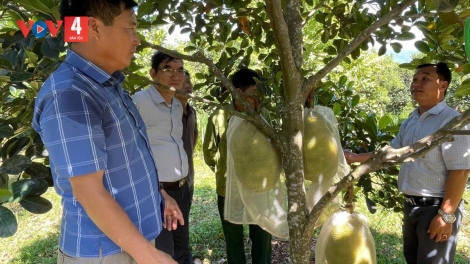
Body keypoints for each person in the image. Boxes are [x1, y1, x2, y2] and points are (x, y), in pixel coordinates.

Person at [32, 1, 182, 263]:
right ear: (94, 27)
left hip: (131, 243)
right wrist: (150, 256)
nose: (137, 40)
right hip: (106, 252)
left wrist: (160, 195)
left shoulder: (106, 84)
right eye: (131, 28)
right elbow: (89, 191)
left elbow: (126, 159)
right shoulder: (71, 94)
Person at [345, 62, 470, 264]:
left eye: (425, 79)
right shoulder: (412, 119)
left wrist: (446, 216)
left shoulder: (452, 122)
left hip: (435, 207)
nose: (416, 84)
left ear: (443, 85)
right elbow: (392, 153)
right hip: (411, 206)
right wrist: (352, 158)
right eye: (414, 79)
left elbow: (460, 171)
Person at [203, 69, 271, 264]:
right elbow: (209, 152)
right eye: (255, 91)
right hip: (228, 190)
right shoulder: (220, 116)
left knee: (262, 237)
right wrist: (227, 172)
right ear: (240, 92)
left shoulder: (263, 114)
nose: (259, 96)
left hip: (258, 187)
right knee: (233, 240)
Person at [133, 52, 191, 264]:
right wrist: (159, 192)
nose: (175, 76)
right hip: (157, 193)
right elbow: (131, 153)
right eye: (167, 70)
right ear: (152, 73)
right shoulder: (139, 102)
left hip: (181, 189)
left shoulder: (176, 105)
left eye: (180, 70)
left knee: (182, 247)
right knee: (163, 252)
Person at [175, 72, 198, 206]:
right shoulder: (167, 112)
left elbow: (194, 137)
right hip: (171, 183)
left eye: (188, 81)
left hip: (189, 178)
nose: (187, 86)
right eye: (183, 83)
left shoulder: (192, 112)